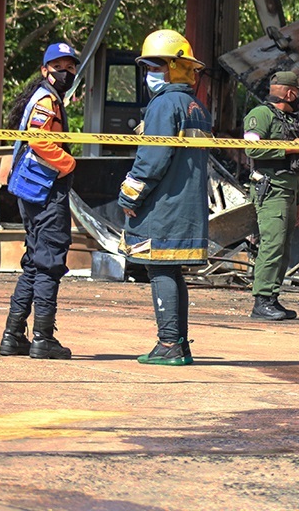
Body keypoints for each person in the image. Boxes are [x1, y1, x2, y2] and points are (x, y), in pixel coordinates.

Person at [117, 30, 213, 366]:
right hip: (185, 203)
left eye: (156, 66)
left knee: (159, 269)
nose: (150, 74)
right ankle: (178, 343)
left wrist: (129, 197)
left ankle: (169, 343)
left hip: (163, 204)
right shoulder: (195, 106)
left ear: (176, 67)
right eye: (147, 67)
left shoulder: (163, 104)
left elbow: (152, 160)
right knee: (172, 271)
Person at [0, 41, 79, 360]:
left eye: (70, 66)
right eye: (58, 66)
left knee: (34, 263)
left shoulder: (47, 96)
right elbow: (39, 138)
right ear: (45, 70)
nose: (65, 72)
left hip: (31, 190)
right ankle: (43, 338)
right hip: (45, 190)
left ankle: (13, 335)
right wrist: (68, 163)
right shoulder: (47, 99)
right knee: (49, 262)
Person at [243, 70, 299, 321]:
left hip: (289, 189)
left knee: (282, 247)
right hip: (272, 191)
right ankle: (261, 302)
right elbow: (251, 147)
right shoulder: (260, 115)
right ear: (290, 93)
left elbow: (293, 166)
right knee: (272, 245)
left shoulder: (289, 118)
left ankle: (272, 298)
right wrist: (290, 147)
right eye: (297, 93)